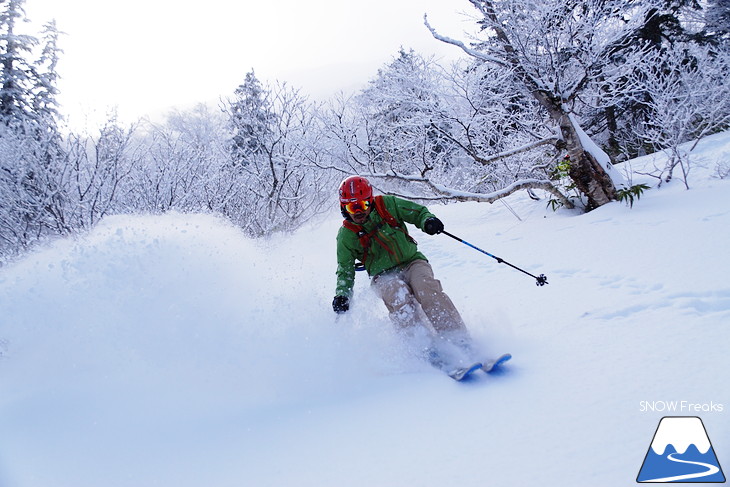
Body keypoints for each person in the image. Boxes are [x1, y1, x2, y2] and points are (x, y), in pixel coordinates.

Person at [332, 175, 474, 361]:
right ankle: (422, 346)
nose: (358, 212)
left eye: (363, 205)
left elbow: (417, 212)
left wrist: (428, 221)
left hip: (412, 262)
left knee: (426, 287)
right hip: (382, 275)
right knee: (396, 293)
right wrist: (342, 294)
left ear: (371, 201)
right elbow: (345, 269)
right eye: (352, 207)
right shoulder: (346, 235)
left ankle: (458, 338)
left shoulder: (387, 205)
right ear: (344, 207)